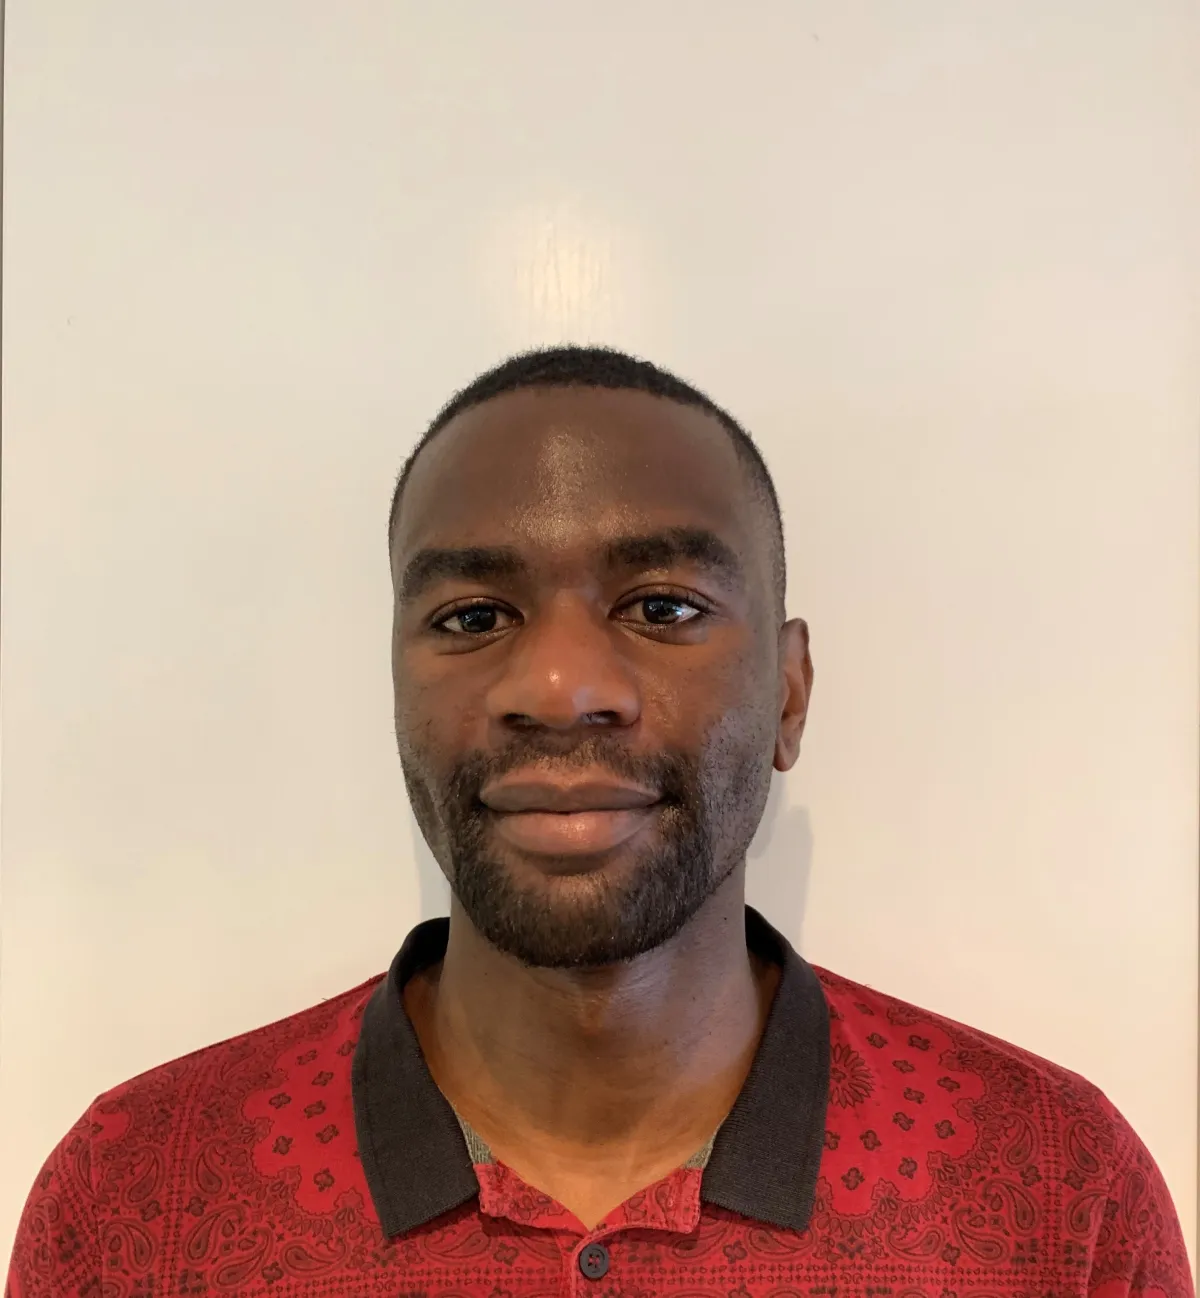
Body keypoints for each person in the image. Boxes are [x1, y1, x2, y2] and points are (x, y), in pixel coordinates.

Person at [7, 347, 1191, 1298]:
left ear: (789, 692)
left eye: (662, 605)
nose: (563, 686)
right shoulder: (134, 1201)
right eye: (473, 616)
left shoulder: (1053, 1195)